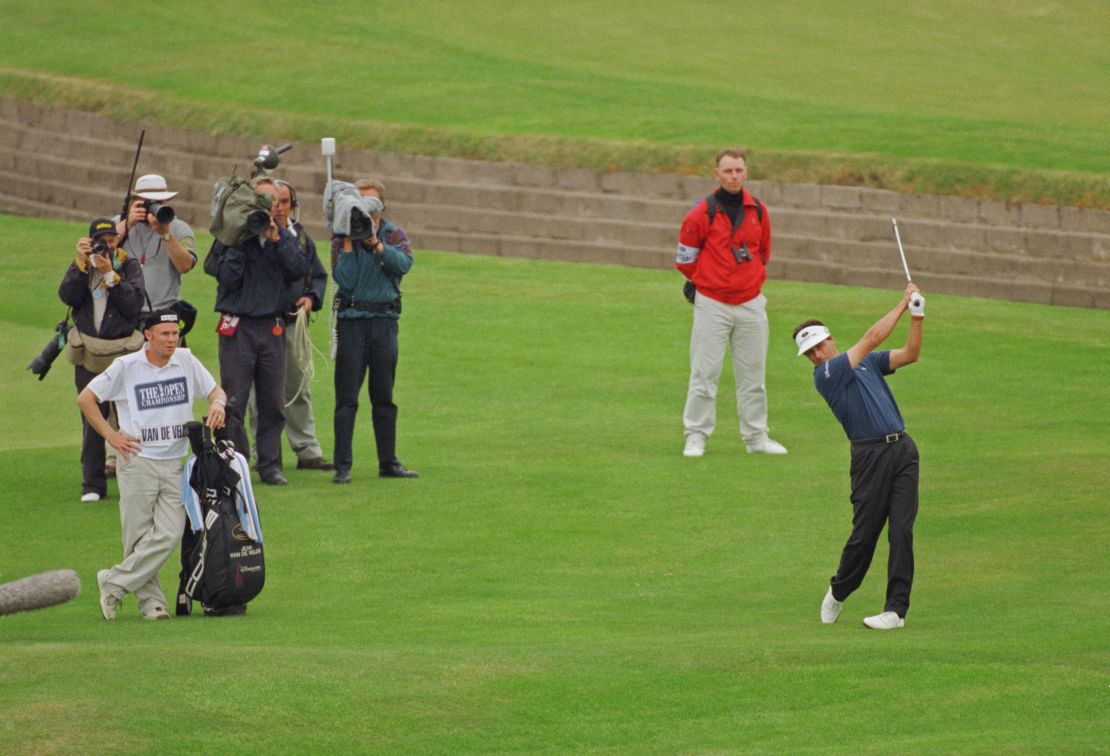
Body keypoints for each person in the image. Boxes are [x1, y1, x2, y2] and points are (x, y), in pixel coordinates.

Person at [77, 310, 227, 621]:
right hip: (137, 462)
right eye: (165, 334)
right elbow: (86, 399)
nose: (172, 339)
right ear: (149, 335)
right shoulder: (126, 366)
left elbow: (216, 391)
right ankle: (152, 604)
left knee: (169, 534)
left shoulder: (185, 360)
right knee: (139, 537)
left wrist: (217, 404)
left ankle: (113, 582)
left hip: (174, 462)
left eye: (175, 333)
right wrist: (111, 436)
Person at [794, 283, 925, 630]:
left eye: (819, 346)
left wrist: (917, 315)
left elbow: (910, 354)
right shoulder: (826, 375)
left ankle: (895, 611)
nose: (817, 355)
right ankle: (839, 590)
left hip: (903, 450)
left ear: (830, 339)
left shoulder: (866, 364)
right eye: (810, 352)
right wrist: (900, 304)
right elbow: (871, 338)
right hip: (869, 458)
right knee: (864, 536)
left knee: (902, 531)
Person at [676, 148, 787, 458]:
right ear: (717, 175)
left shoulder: (759, 211)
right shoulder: (702, 212)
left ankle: (756, 438)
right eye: (728, 171)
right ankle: (695, 436)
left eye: (739, 170)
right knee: (704, 375)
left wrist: (748, 280)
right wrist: (707, 281)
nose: (734, 176)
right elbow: (685, 259)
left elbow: (763, 253)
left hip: (751, 304)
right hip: (712, 304)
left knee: (754, 377)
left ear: (746, 172)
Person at [212, 177, 308, 486]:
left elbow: (298, 271)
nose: (273, 208)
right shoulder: (232, 235)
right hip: (238, 326)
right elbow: (224, 276)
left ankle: (270, 465)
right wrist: (243, 239)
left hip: (272, 327)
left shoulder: (287, 236)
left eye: (278, 201)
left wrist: (276, 239)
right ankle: (237, 462)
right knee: (235, 401)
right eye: (265, 201)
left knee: (272, 402)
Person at [331, 178, 417, 484]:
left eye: (370, 202)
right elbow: (346, 280)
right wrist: (349, 243)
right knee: (347, 397)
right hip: (352, 321)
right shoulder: (343, 237)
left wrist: (376, 245)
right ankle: (342, 465)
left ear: (381, 205)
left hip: (384, 323)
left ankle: (388, 461)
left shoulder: (393, 234)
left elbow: (403, 264)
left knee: (384, 395)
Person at [247, 178, 333, 471]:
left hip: (293, 324)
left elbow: (318, 276)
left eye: (285, 202)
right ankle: (263, 454)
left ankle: (307, 450)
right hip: (260, 324)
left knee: (298, 389)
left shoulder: (301, 237)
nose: (279, 208)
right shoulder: (251, 234)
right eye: (275, 202)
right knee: (260, 396)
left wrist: (311, 298)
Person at [60, 218, 146, 503]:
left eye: (111, 239)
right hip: (90, 354)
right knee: (92, 420)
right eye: (101, 240)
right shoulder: (83, 266)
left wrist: (110, 275)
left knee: (129, 419)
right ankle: (93, 484)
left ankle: (134, 478)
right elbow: (67, 296)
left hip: (123, 354)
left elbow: (134, 305)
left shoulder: (128, 265)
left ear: (117, 240)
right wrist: (80, 264)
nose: (106, 245)